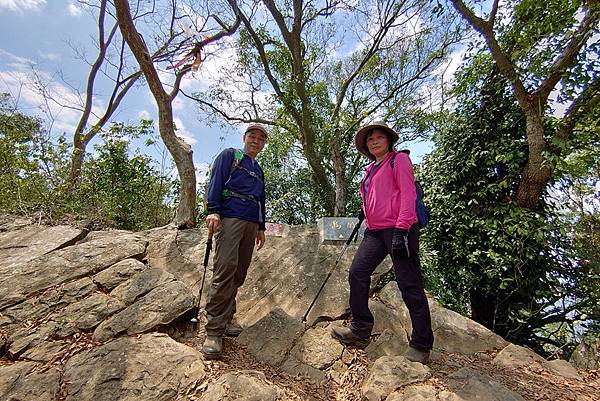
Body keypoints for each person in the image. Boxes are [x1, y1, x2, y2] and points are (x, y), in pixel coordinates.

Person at [330, 121, 434, 364]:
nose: (374, 141)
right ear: (366, 146)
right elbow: (380, 195)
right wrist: (365, 210)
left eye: (379, 137)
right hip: (375, 231)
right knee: (357, 272)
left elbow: (407, 194)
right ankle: (360, 328)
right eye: (370, 139)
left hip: (400, 228)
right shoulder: (370, 169)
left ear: (388, 140)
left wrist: (402, 228)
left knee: (409, 284)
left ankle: (421, 344)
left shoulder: (400, 160)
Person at [202, 123, 268, 359]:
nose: (256, 141)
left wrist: (261, 227)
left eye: (261, 139)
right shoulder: (230, 155)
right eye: (253, 136)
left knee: (239, 272)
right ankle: (214, 331)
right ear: (245, 137)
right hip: (231, 217)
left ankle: (228, 318)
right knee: (225, 269)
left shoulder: (258, 169)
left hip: (251, 222)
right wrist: (213, 210)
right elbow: (215, 182)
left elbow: (261, 199)